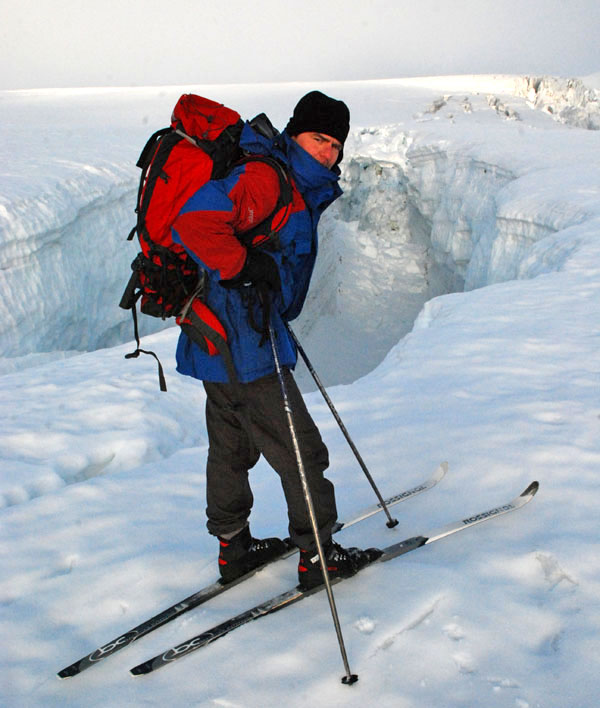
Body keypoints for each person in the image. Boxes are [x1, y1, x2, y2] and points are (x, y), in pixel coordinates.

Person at [171, 91, 379, 590]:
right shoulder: (267, 178)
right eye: (318, 138)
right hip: (246, 340)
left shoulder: (285, 178)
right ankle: (319, 555)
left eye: (335, 144)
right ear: (294, 134)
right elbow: (194, 222)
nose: (327, 152)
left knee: (230, 445)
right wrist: (247, 266)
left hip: (216, 340)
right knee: (301, 451)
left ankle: (233, 547)